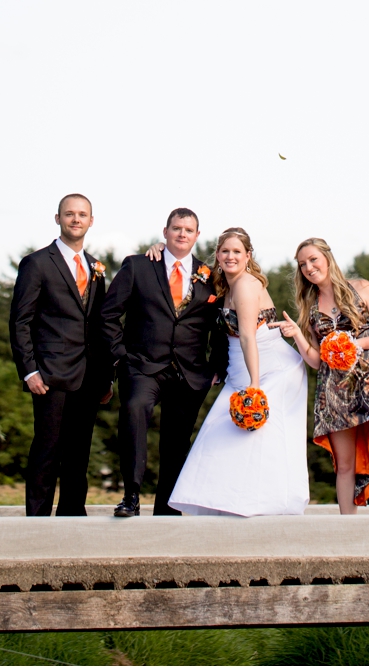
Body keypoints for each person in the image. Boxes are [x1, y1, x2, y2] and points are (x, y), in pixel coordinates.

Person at [166, 228, 309, 517]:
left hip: (271, 370)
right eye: (225, 251)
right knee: (219, 432)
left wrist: (255, 385)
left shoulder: (245, 284)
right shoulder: (224, 284)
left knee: (257, 437)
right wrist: (161, 247)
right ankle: (228, 505)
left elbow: (247, 337)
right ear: (217, 255)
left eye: (237, 252)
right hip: (240, 369)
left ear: (248, 256)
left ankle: (264, 506)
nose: (230, 256)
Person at [99, 206, 225, 517]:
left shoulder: (212, 278)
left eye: (188, 230)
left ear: (197, 236)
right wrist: (121, 357)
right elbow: (108, 315)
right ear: (166, 232)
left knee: (177, 441)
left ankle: (167, 509)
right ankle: (131, 496)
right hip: (142, 366)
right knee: (134, 412)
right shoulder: (138, 266)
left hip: (190, 372)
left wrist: (216, 367)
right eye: (177, 228)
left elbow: (221, 325)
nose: (182, 234)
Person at [274, 236, 369, 515]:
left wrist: (355, 344)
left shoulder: (361, 289)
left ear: (327, 258)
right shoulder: (309, 307)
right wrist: (298, 335)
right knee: (344, 463)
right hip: (335, 387)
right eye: (302, 265)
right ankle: (347, 526)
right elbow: (315, 360)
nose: (308, 268)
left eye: (313, 260)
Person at [8, 193, 113, 517]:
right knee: (47, 449)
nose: (76, 219)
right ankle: (37, 521)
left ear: (91, 221)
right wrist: (29, 371)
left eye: (82, 214)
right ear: (58, 218)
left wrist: (105, 377)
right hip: (50, 374)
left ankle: (72, 516)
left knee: (79, 452)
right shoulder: (37, 263)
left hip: (88, 376)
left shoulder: (96, 267)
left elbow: (100, 325)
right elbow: (20, 321)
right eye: (70, 214)